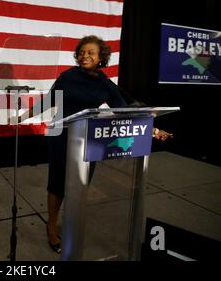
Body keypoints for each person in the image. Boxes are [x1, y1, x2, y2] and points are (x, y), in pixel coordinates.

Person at [17, 35, 172, 254]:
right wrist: (25, 115)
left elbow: (124, 112)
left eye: (90, 52)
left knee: (80, 184)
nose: (84, 55)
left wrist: (153, 130)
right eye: (81, 52)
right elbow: (49, 100)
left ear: (101, 58)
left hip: (87, 138)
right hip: (60, 135)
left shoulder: (104, 83)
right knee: (58, 182)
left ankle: (70, 224)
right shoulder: (67, 77)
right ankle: (51, 225)